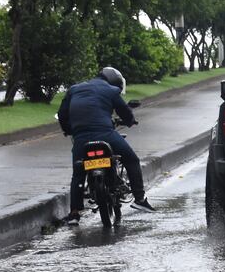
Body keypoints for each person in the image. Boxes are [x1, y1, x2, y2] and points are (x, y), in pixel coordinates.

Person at [58, 67, 156, 224]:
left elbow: (62, 115)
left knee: (78, 172)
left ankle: (74, 213)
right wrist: (130, 121)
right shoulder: (110, 90)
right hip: (106, 134)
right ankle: (139, 199)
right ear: (113, 82)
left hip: (81, 138)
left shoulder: (74, 89)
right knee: (131, 160)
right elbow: (124, 111)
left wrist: (70, 130)